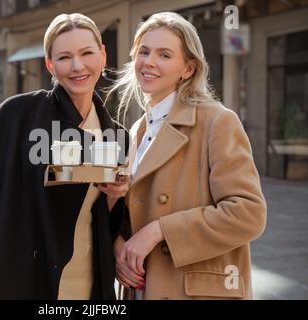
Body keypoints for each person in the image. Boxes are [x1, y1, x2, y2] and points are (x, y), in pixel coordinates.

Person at [0, 13, 128, 300]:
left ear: (102, 55)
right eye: (64, 57)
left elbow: (108, 223)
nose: (77, 66)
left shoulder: (116, 135)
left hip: (88, 283)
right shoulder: (17, 116)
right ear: (50, 64)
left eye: (87, 53)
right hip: (18, 279)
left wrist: (115, 196)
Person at [110, 12, 267, 300]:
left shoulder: (216, 121)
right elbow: (134, 211)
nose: (150, 62)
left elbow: (248, 214)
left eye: (165, 55)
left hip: (194, 290)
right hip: (143, 287)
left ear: (188, 69)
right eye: (143, 52)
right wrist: (120, 246)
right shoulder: (137, 129)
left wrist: (159, 231)